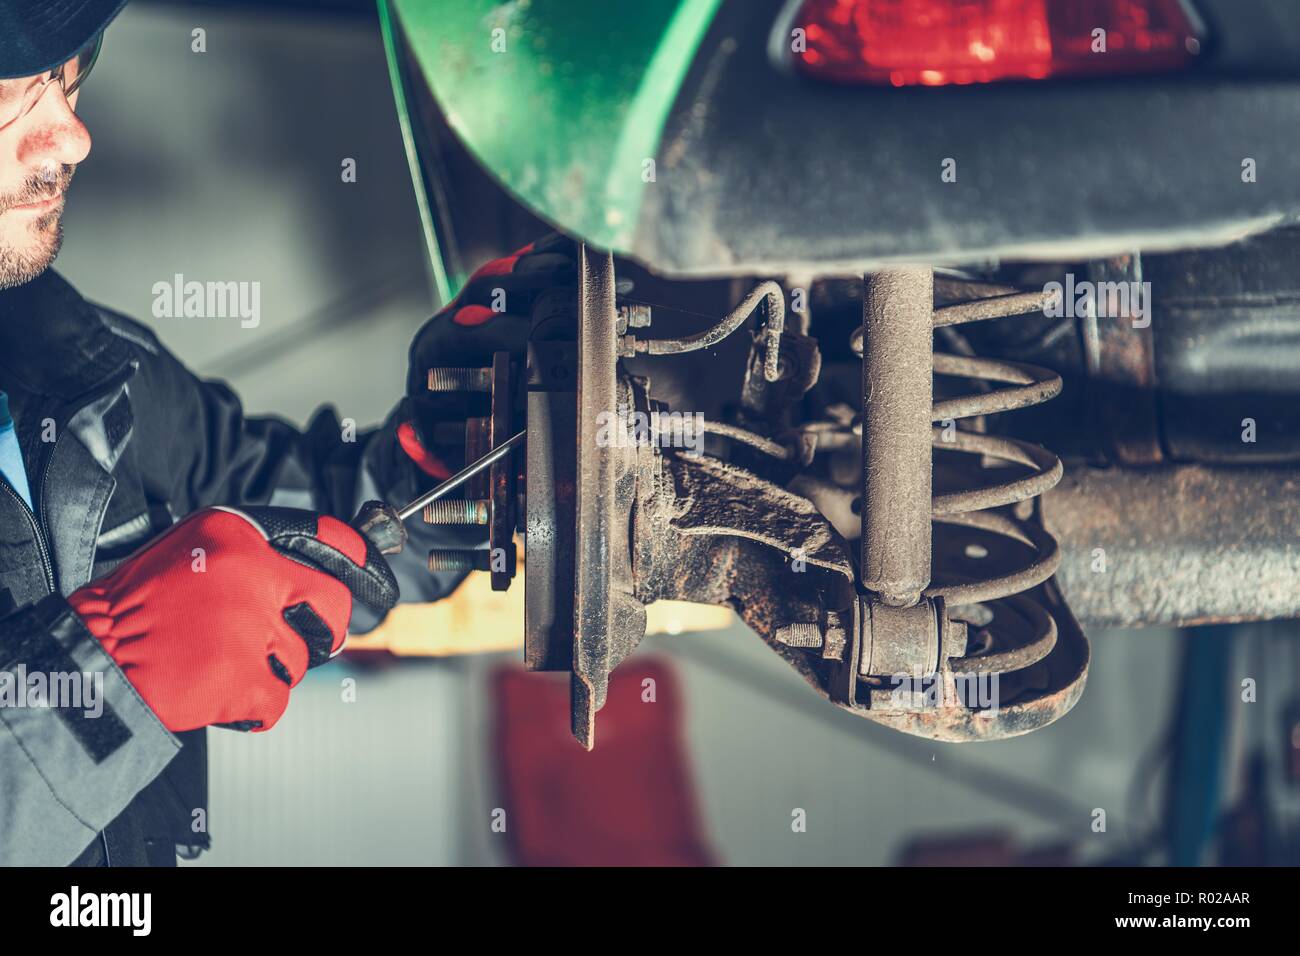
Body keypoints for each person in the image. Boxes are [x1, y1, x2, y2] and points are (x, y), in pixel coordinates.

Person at [0, 0, 571, 865]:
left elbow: (316, 522)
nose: (72, 134)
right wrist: (107, 678)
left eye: (71, 72)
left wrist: (452, 459)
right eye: (14, 91)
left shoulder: (83, 366)